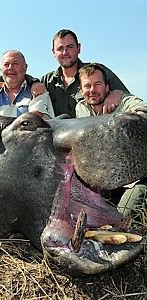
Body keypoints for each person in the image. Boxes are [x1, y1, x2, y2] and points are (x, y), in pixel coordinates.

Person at [76, 63, 147, 219]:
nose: (92, 90)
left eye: (98, 84)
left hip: (135, 179)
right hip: (105, 181)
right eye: (87, 86)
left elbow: (142, 110)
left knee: (125, 215)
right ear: (81, 91)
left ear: (107, 87)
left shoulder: (123, 101)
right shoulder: (80, 109)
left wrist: (122, 120)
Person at [41, 29, 129, 118]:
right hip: (59, 131)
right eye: (60, 48)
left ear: (78, 48)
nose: (65, 52)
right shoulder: (46, 81)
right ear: (53, 52)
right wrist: (32, 81)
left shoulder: (97, 71)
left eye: (70, 47)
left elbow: (127, 97)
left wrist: (117, 93)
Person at [0, 50, 55, 119]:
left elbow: (33, 120)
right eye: (6, 64)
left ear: (25, 68)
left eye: (15, 63)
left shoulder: (38, 92)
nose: (10, 68)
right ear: (0, 69)